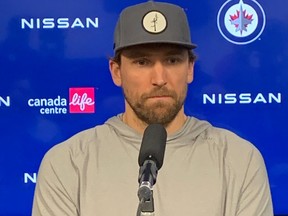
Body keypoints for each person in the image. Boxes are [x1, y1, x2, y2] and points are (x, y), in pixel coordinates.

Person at [32, 1, 273, 215]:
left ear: (190, 69)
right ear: (116, 72)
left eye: (172, 60)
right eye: (142, 62)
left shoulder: (239, 159)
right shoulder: (67, 163)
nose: (159, 78)